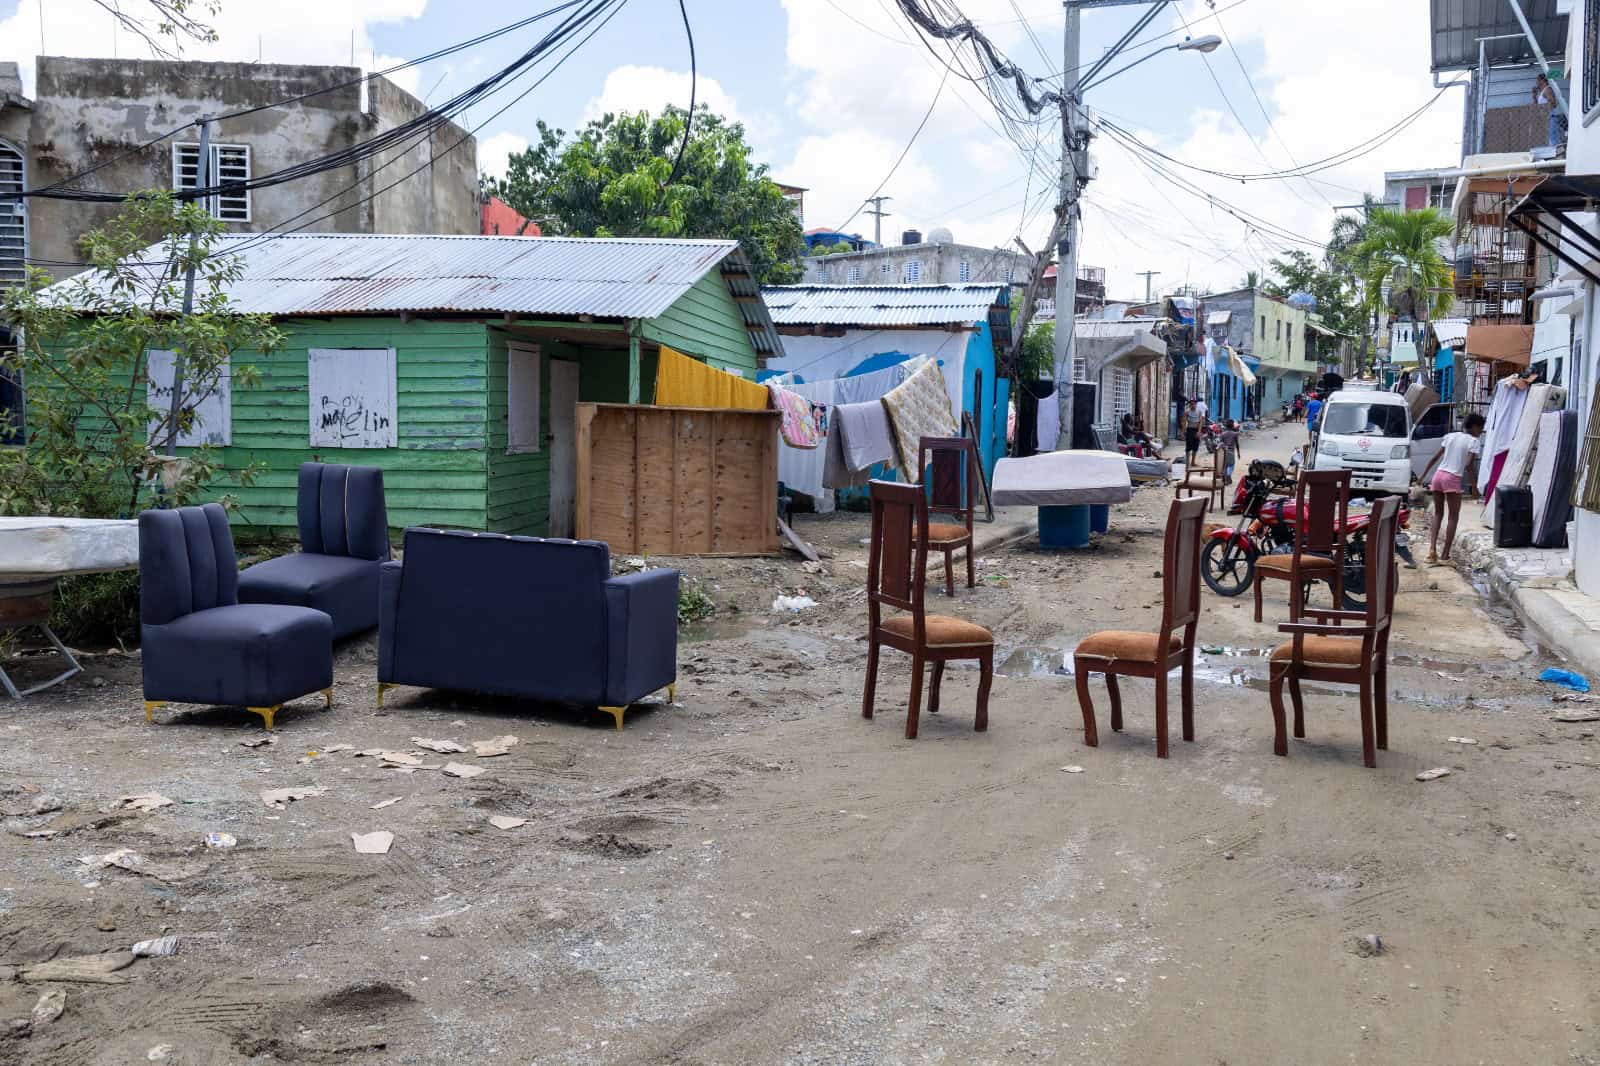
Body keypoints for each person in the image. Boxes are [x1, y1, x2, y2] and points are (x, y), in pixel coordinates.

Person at [1419, 412, 1486, 564]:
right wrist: (1474, 487)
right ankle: (1445, 555)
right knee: (1453, 517)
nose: (1481, 432)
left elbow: (1435, 458)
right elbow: (1469, 465)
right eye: (1481, 429)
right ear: (1475, 427)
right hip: (1452, 478)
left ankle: (1432, 550)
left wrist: (1423, 476)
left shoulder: (1450, 436)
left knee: (1438, 514)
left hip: (1438, 475)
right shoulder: (1473, 441)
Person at [1535, 73, 1567, 149]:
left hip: (1549, 118)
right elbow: (1537, 106)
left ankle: (1559, 156)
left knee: (1553, 140)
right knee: (1551, 139)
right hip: (1546, 118)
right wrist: (1534, 96)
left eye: (1537, 80)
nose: (1536, 82)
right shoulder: (1542, 91)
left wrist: (1546, 109)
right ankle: (1558, 154)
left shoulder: (1547, 89)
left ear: (1542, 80)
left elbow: (1554, 104)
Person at [1181, 397, 1202, 470]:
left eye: (1194, 403)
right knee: (1188, 447)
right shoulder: (1187, 412)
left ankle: (1193, 461)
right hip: (1189, 430)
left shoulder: (1199, 411)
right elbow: (1184, 422)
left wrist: (1199, 431)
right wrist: (1183, 432)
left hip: (1196, 430)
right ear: (1189, 404)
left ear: (1196, 404)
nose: (1192, 405)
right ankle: (1187, 463)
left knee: (1195, 447)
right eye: (1191, 403)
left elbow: (1200, 422)